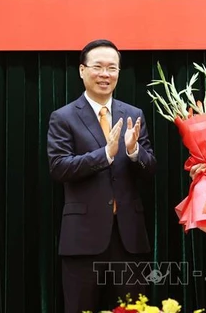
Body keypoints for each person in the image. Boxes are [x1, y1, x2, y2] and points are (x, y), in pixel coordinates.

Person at [47, 39, 157, 313]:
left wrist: (133, 152)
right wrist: (105, 155)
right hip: (83, 240)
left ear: (119, 72)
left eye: (112, 68)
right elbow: (59, 167)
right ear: (82, 71)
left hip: (128, 238)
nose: (105, 74)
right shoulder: (64, 117)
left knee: (133, 309)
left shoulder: (133, 114)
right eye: (98, 67)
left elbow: (151, 169)